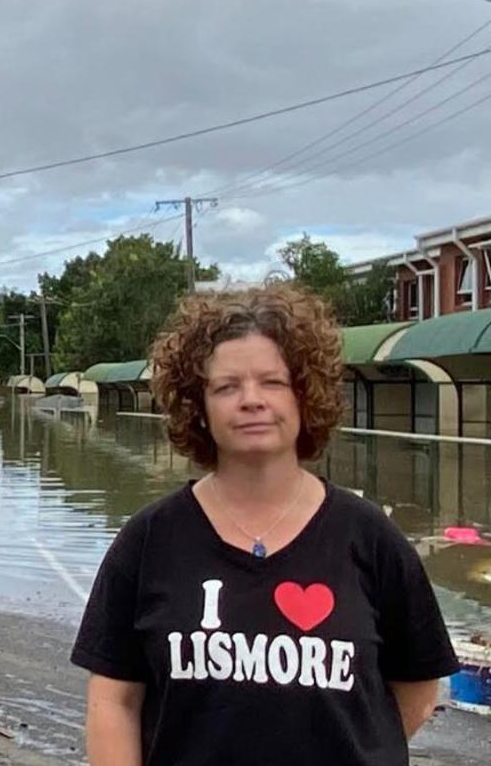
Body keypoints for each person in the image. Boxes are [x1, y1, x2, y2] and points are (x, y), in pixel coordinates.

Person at [71, 285, 459, 765]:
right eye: (226, 386)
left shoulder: (370, 536)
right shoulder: (150, 539)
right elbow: (113, 700)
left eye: (272, 382)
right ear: (199, 407)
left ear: (304, 395)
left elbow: (418, 691)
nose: (251, 400)